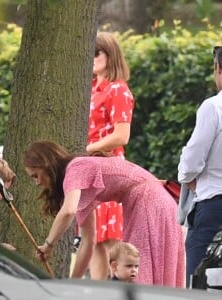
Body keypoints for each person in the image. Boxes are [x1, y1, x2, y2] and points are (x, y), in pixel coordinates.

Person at [23, 140, 185, 287]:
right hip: (156, 200)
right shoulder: (80, 183)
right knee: (144, 268)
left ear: (46, 164)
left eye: (36, 175)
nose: (37, 182)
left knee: (136, 270)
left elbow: (68, 211)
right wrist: (71, 284)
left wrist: (48, 245)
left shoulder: (75, 168)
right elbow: (88, 240)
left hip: (149, 201)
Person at [86, 32, 135, 280]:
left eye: (97, 52)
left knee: (108, 241)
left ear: (111, 55)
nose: (92, 57)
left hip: (109, 169)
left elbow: (122, 136)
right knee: (94, 239)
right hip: (92, 168)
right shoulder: (92, 87)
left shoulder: (118, 89)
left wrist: (88, 148)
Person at [178, 45, 222, 288]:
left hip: (214, 203)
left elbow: (193, 160)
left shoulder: (213, 107)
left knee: (198, 283)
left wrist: (186, 175)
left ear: (218, 69)